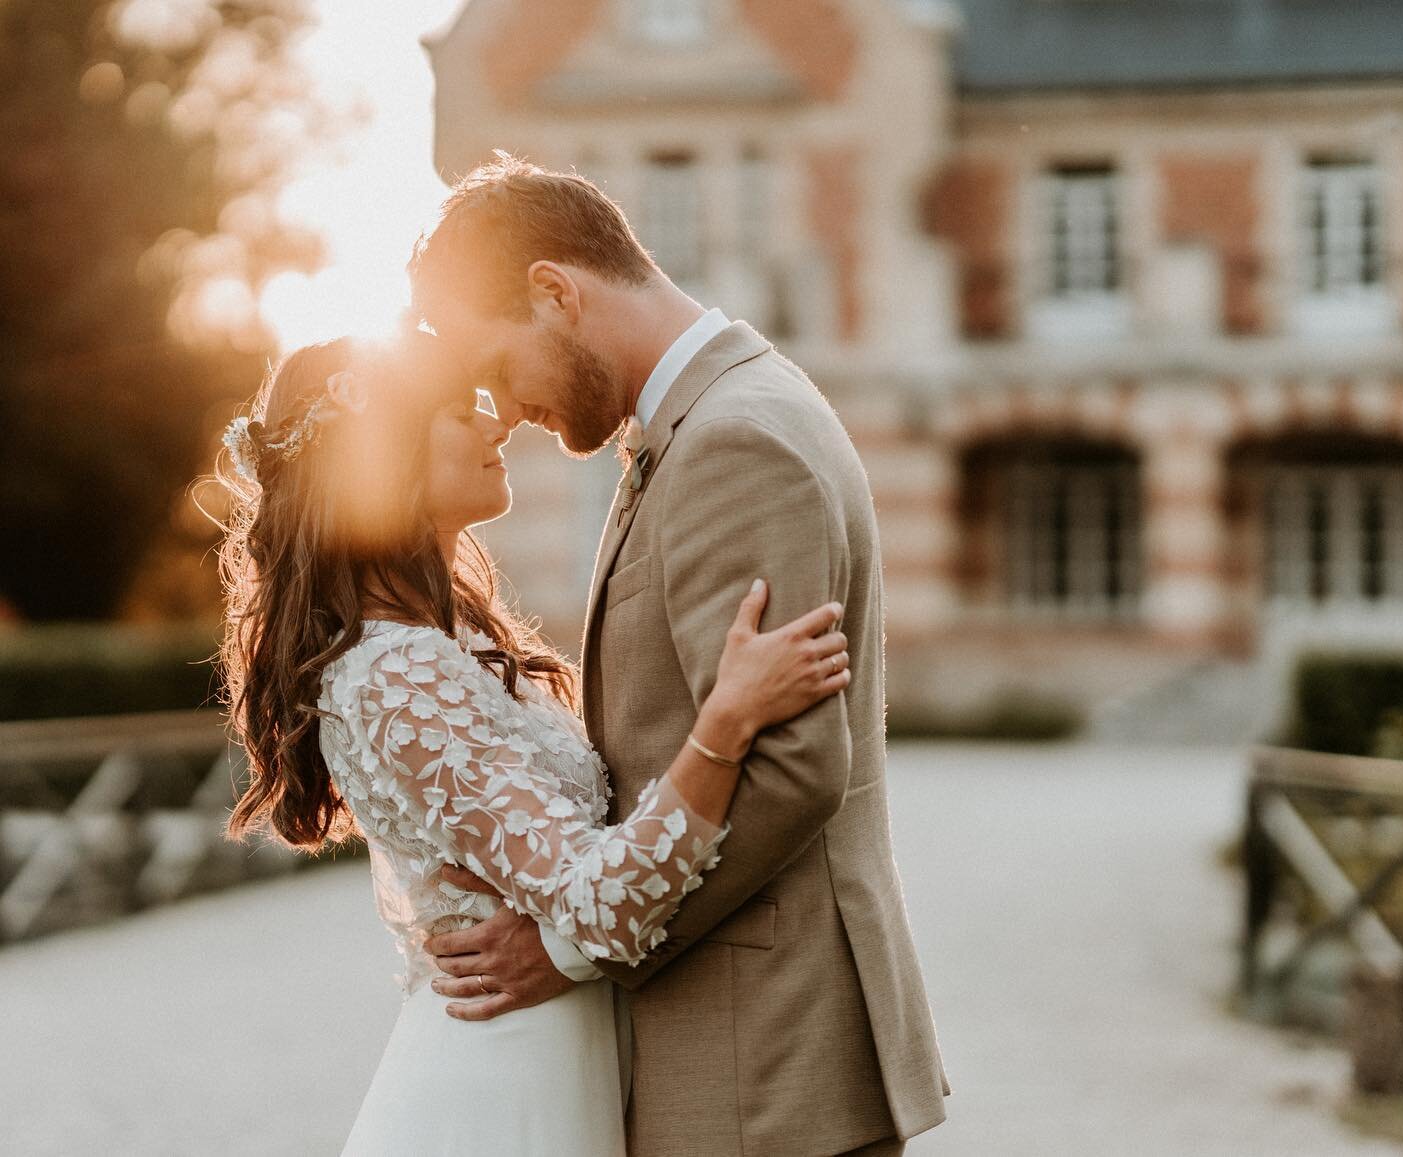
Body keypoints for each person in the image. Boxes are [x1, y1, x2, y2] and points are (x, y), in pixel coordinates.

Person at [407, 155, 948, 1156]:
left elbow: (791, 766)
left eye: (496, 367)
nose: (509, 409)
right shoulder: (718, 414)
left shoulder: (736, 444)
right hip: (751, 1042)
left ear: (555, 293)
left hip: (760, 1054)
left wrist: (573, 941)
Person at [217, 331, 852, 1155]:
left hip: (553, 1056)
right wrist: (726, 721)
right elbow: (602, 905)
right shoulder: (396, 672)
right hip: (502, 1081)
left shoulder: (432, 652)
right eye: (458, 412)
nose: (494, 427)